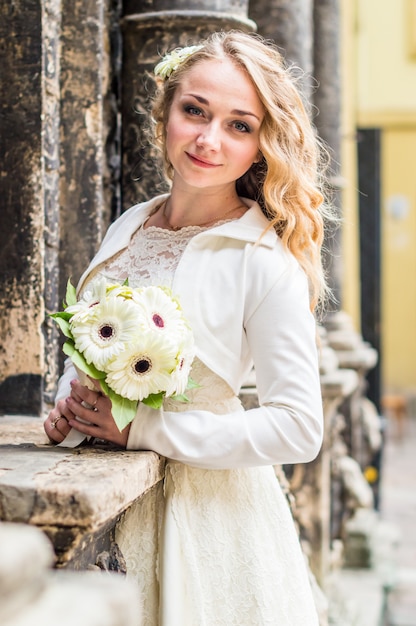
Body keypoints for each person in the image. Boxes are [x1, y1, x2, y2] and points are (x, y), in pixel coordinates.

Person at [44, 30, 332, 625]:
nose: (208, 140)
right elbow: (92, 347)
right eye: (194, 111)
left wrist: (148, 430)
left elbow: (300, 428)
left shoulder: (263, 260)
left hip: (204, 518)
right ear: (166, 112)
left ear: (262, 146)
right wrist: (68, 408)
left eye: (239, 125)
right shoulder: (130, 223)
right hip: (98, 511)